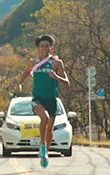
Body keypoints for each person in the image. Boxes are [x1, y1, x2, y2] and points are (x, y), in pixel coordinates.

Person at [16, 35, 70, 167]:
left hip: (51, 98)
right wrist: (19, 83)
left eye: (47, 46)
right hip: (37, 98)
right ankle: (42, 145)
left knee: (49, 129)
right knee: (44, 119)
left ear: (51, 47)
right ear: (38, 48)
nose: (44, 48)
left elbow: (67, 82)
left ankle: (45, 152)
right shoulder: (32, 63)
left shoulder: (56, 63)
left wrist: (56, 76)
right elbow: (26, 72)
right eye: (42, 46)